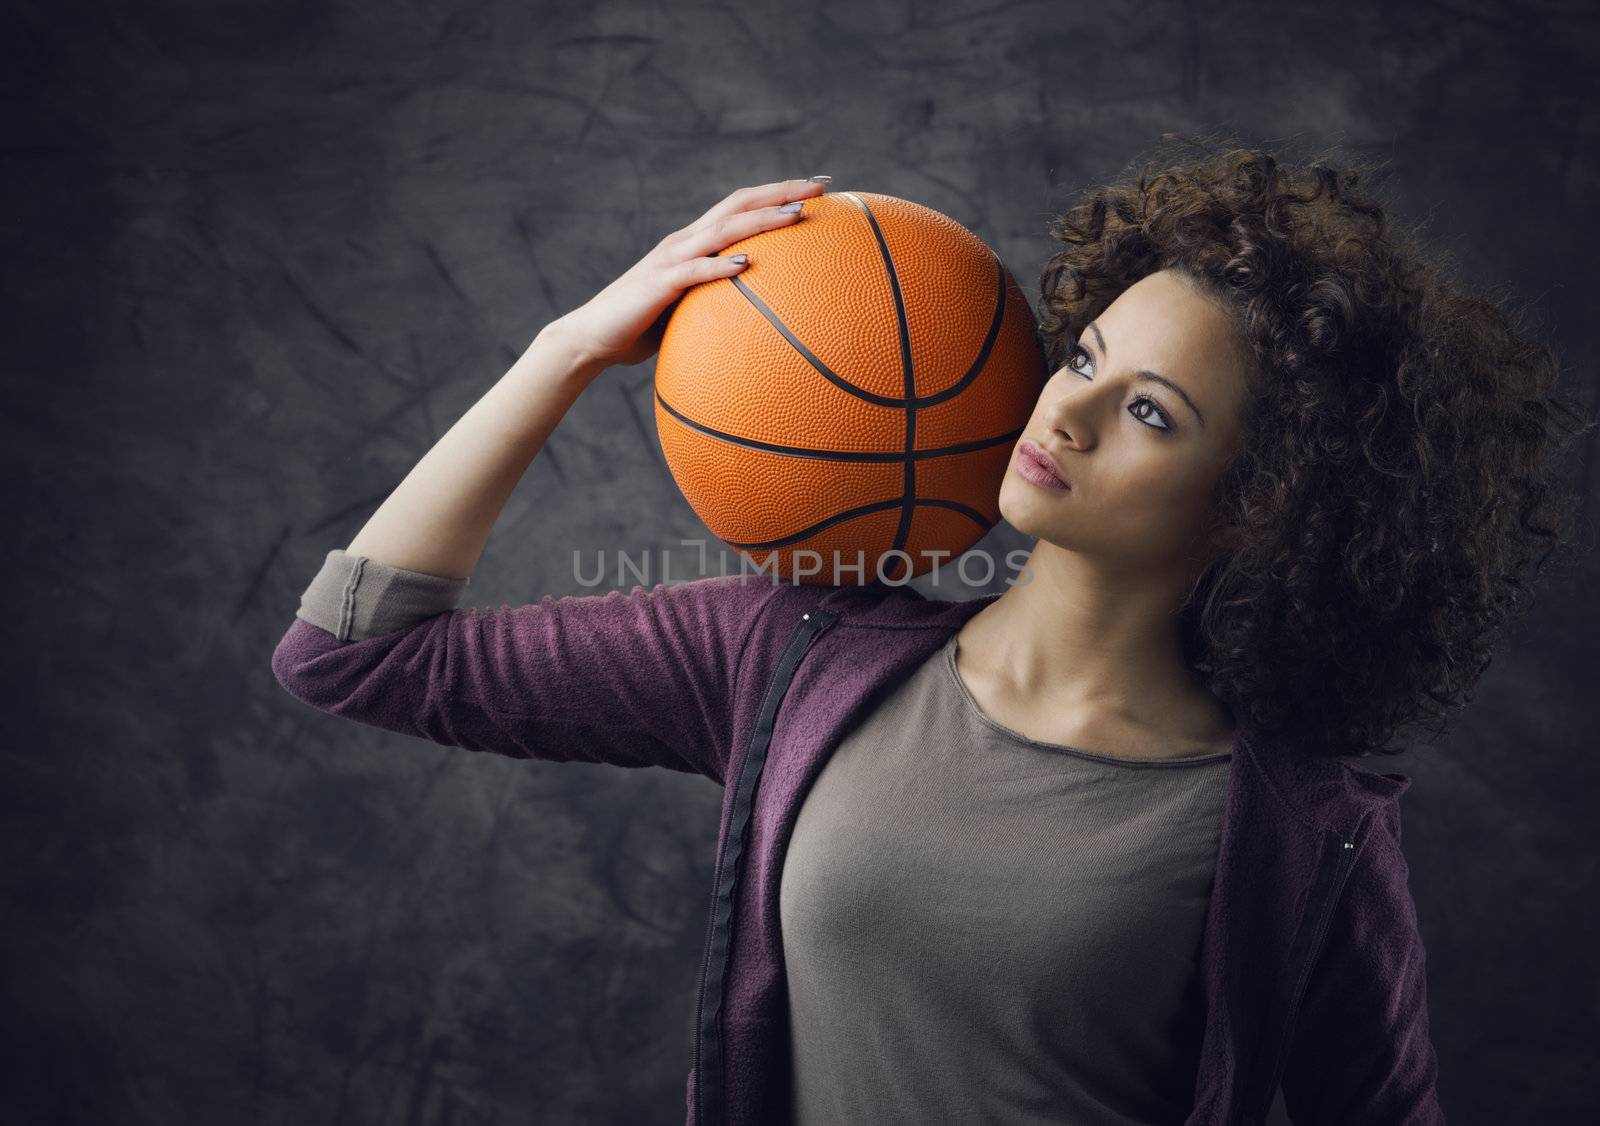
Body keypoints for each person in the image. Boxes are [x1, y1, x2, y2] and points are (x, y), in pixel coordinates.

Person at [272, 140, 1591, 1125]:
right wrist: (561, 352)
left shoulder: (1306, 833)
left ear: (1262, 508)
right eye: (1083, 358)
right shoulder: (791, 651)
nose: (1063, 413)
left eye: (1151, 413)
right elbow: (355, 652)